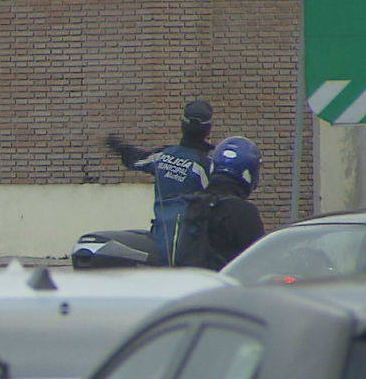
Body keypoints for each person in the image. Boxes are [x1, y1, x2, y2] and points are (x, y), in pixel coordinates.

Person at [105, 100, 215, 265]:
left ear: (182, 126)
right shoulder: (206, 166)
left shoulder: (163, 155)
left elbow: (135, 159)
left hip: (160, 236)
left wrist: (116, 145)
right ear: (208, 130)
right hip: (191, 244)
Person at [198, 135, 265, 269]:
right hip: (226, 287)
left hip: (190, 285)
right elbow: (260, 262)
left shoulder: (192, 203)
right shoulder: (244, 213)